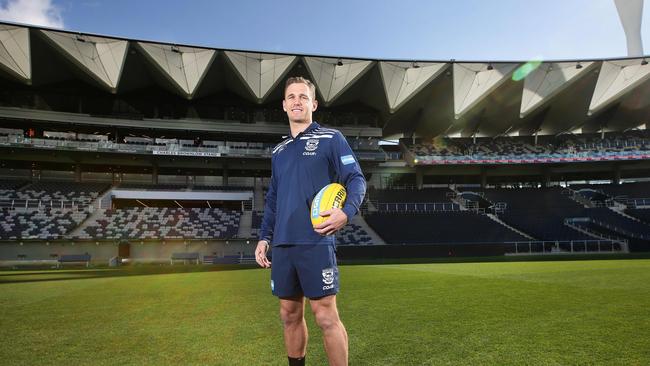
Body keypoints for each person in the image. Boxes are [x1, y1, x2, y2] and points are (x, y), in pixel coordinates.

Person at [255, 76, 366, 366]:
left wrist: (347, 211)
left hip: (315, 239)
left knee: (326, 316)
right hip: (282, 243)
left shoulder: (331, 139)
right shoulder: (278, 152)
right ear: (283, 105)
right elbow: (274, 198)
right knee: (289, 314)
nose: (297, 101)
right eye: (291, 97)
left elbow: (356, 178)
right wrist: (264, 236)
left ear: (313, 104)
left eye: (303, 97)